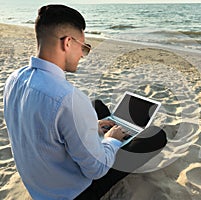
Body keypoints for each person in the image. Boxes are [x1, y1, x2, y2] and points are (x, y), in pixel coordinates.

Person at [3, 5, 167, 200]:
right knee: (156, 135)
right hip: (73, 193)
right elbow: (97, 170)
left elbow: (42, 126)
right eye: (84, 47)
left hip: (39, 183)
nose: (83, 54)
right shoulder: (67, 98)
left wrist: (90, 127)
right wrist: (112, 140)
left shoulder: (14, 78)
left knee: (97, 106)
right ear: (68, 43)